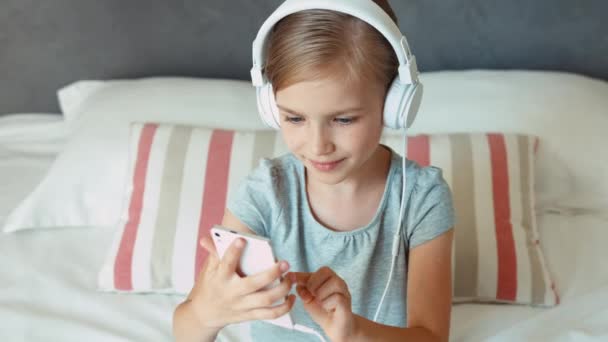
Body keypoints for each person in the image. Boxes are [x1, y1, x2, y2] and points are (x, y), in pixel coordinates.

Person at [173, 0, 454, 341]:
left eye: (344, 119)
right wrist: (206, 314)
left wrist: (355, 333)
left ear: (395, 104)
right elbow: (185, 330)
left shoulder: (422, 198)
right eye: (294, 118)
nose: (318, 145)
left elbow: (432, 337)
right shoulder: (265, 192)